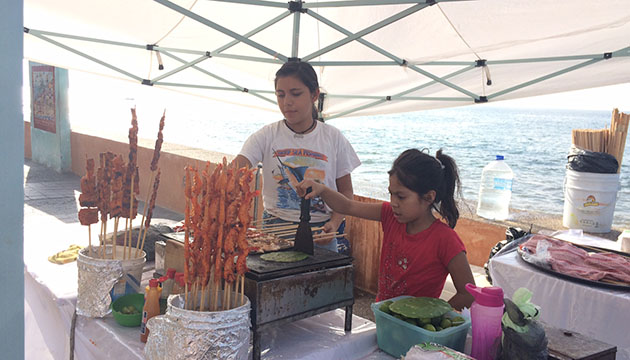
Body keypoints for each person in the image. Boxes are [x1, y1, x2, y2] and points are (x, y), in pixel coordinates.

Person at [297, 148, 475, 310]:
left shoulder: (445, 239)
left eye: (401, 196)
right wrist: (322, 189)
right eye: (391, 193)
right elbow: (347, 206)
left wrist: (430, 315)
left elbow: (468, 293)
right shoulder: (389, 215)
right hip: (383, 315)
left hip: (416, 330)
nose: (394, 202)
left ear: (428, 197)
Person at [233, 61, 361, 253]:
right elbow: (238, 168)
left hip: (321, 232)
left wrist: (334, 224)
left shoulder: (333, 138)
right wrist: (228, 180)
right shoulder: (266, 135)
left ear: (314, 94)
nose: (287, 102)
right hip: (273, 230)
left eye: (296, 93)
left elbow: (346, 193)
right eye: (280, 95)